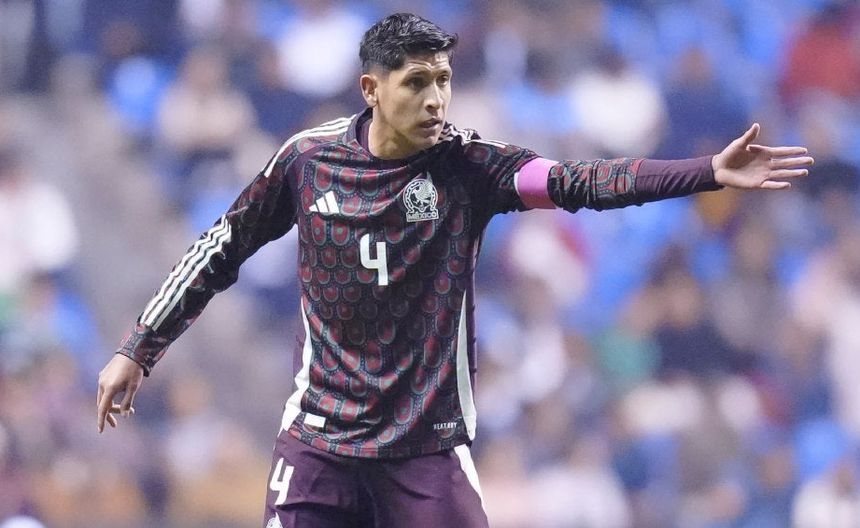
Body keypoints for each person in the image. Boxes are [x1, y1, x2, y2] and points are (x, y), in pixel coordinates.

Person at [96, 12, 814, 528]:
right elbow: (222, 247)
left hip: (426, 450)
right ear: (371, 88)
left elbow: (581, 182)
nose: (436, 98)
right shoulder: (307, 161)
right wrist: (139, 347)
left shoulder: (470, 167)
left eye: (443, 80)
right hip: (320, 441)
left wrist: (706, 172)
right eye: (417, 82)